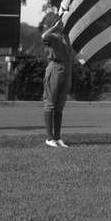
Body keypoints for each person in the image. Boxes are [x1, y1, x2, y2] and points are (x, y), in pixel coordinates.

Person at [40, 12, 73, 148]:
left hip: (66, 68)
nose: (61, 24)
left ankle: (57, 137)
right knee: (50, 103)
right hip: (55, 67)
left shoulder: (65, 37)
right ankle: (49, 138)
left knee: (59, 105)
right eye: (59, 22)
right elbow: (44, 36)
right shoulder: (52, 36)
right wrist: (53, 27)